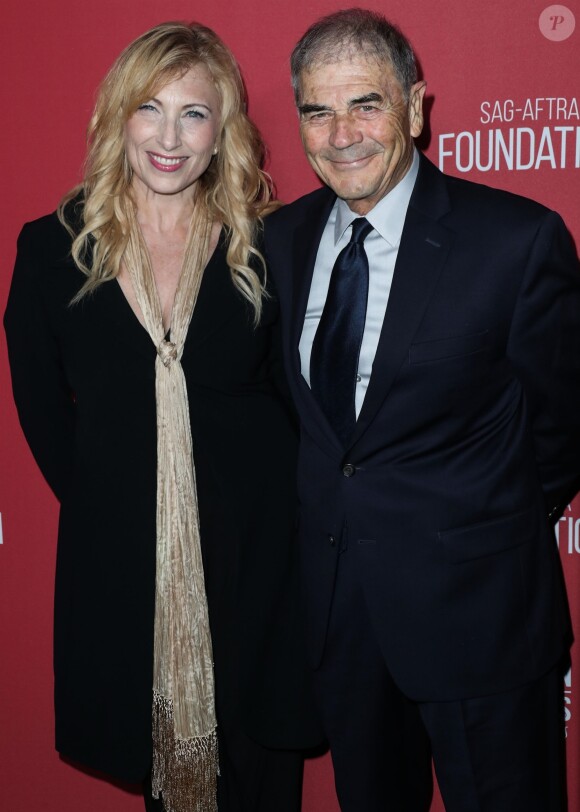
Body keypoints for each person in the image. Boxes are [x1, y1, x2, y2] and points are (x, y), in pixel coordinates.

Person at [264, 8, 580, 811]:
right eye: (317, 110)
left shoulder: (516, 240)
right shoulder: (279, 242)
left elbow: (561, 428)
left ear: (415, 105)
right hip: (343, 624)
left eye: (365, 104)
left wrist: (477, 525)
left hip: (483, 620)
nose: (341, 134)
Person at [4, 21, 320, 812]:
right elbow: (43, 409)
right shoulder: (52, 250)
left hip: (259, 561)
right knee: (163, 774)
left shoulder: (268, 246)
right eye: (150, 108)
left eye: (194, 113)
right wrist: (113, 498)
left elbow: (297, 400)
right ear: (118, 119)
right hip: (128, 564)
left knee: (261, 773)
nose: (169, 137)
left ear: (223, 136)